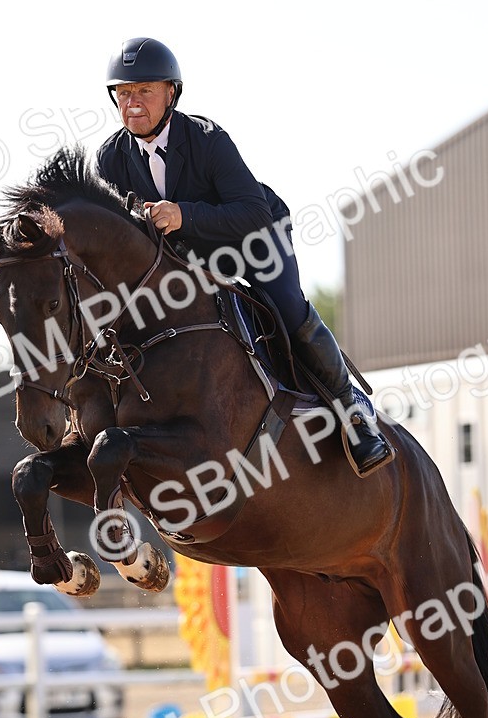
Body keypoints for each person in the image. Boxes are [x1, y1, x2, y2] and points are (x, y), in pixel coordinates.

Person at [96, 37, 393, 477]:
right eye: (124, 93)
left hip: (254, 241)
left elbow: (251, 211)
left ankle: (354, 414)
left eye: (144, 91)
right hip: (187, 261)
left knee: (288, 310)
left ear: (171, 94)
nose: (132, 102)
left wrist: (183, 215)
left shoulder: (207, 139)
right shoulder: (110, 160)